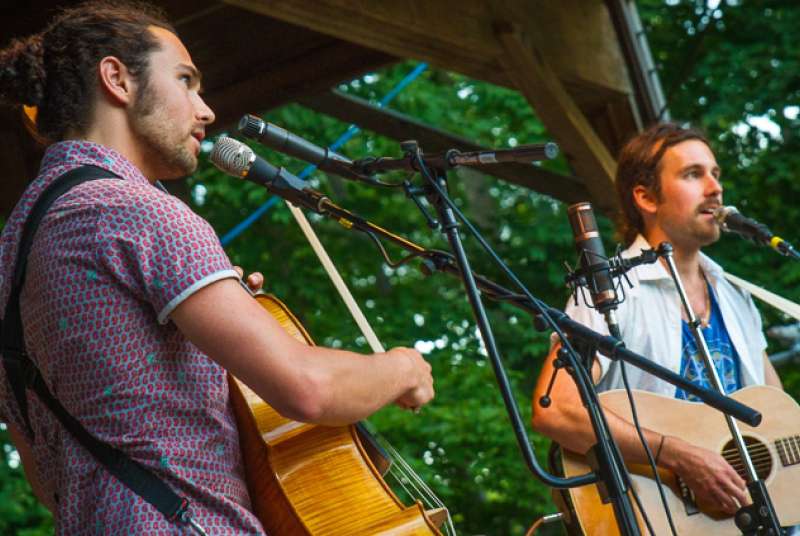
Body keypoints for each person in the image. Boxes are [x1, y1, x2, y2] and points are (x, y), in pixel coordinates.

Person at [0, 2, 434, 533]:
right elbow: (308, 389)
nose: (204, 110)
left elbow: (50, 482)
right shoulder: (138, 211)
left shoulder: (13, 257)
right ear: (117, 79)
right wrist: (403, 368)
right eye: (185, 81)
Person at [531, 122, 783, 516]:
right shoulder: (607, 292)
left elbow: (777, 419)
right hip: (655, 515)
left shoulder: (737, 297)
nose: (715, 188)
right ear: (646, 197)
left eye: (715, 174)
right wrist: (676, 455)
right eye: (693, 174)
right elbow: (555, 410)